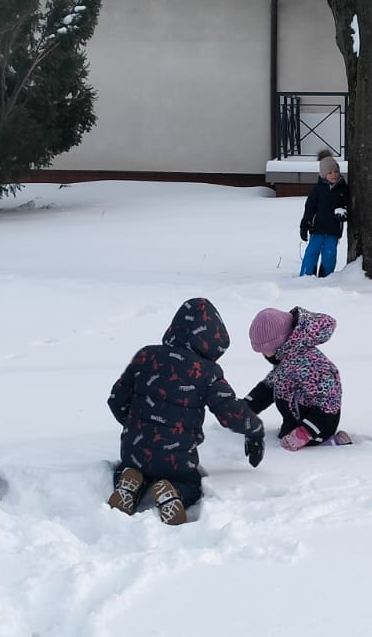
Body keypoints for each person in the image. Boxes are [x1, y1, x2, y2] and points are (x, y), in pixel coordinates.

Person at [107, 298, 266, 525]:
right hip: (177, 458)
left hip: (133, 449)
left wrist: (135, 424)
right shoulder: (207, 372)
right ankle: (173, 493)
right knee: (191, 483)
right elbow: (230, 412)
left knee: (131, 467)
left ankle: (128, 483)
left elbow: (116, 399)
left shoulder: (146, 356)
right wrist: (255, 431)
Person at [243, 306, 349, 450]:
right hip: (296, 420)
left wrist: (305, 433)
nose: (263, 354)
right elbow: (270, 386)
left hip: (318, 425)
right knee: (284, 438)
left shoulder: (311, 364)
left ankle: (335, 443)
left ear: (280, 343)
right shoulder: (287, 358)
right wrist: (245, 409)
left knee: (304, 449)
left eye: (265, 350)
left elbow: (328, 402)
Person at [298, 148, 349, 278]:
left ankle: (326, 277)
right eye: (330, 173)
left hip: (333, 230)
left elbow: (348, 205)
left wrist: (344, 213)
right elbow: (310, 208)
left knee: (329, 254)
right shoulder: (317, 189)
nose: (334, 175)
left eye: (336, 171)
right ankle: (306, 275)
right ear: (323, 174)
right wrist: (305, 225)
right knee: (312, 252)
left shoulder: (343, 189)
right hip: (317, 228)